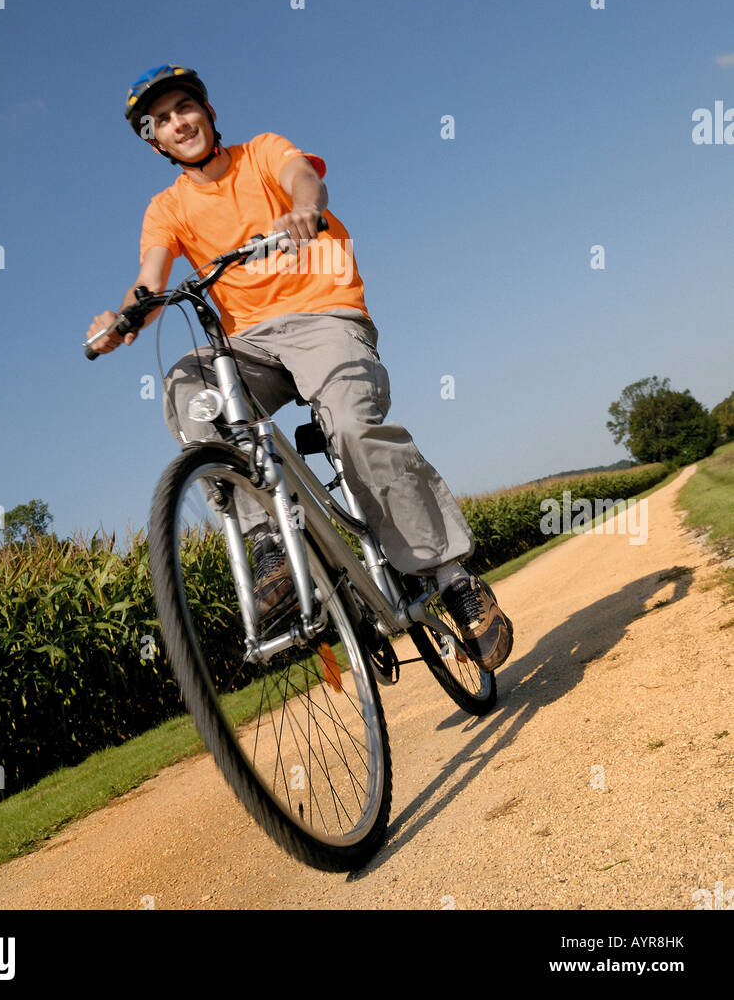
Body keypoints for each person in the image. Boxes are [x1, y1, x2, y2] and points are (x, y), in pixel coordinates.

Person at [87, 65, 513, 673]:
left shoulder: (262, 153)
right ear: (154, 142)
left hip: (324, 316)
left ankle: (451, 576)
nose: (179, 122)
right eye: (162, 121)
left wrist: (302, 212)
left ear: (208, 111)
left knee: (351, 426)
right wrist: (123, 319)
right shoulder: (167, 208)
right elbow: (149, 283)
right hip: (251, 346)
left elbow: (304, 179)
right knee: (188, 385)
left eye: (186, 107)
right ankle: (270, 546)